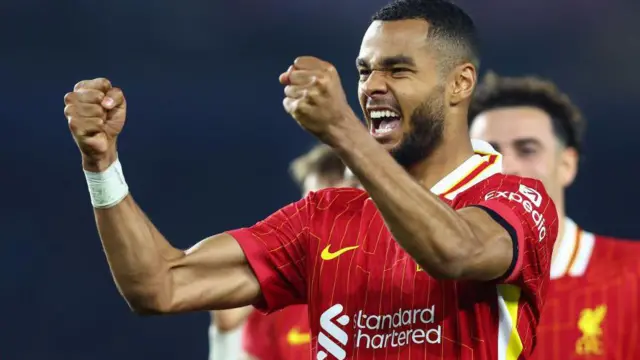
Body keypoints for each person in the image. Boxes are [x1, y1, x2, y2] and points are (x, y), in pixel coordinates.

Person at [63, 0, 559, 358]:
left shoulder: (515, 199)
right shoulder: (324, 217)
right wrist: (101, 163)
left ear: (460, 83)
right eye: (364, 72)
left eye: (398, 70)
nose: (372, 87)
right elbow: (159, 285)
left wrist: (343, 130)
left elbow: (454, 251)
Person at [469, 72, 640, 360]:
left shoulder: (632, 275)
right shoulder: (441, 290)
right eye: (489, 153)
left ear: (566, 164)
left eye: (527, 149)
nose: (506, 167)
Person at [210, 144, 352, 360]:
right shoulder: (277, 299)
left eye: (333, 205)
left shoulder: (402, 281)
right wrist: (225, 335)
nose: (314, 217)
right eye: (308, 205)